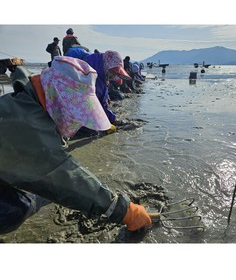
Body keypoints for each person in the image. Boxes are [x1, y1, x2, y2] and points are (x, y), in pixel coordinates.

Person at [0, 56, 152, 235]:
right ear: (58, 100)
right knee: (15, 209)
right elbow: (62, 172)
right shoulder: (25, 123)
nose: (77, 123)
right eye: (75, 113)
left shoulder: (23, 102)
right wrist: (124, 211)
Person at [66, 48, 132, 124]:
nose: (114, 75)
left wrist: (112, 118)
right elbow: (98, 102)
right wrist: (111, 120)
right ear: (108, 65)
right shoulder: (93, 72)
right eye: (114, 71)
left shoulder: (102, 70)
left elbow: (103, 98)